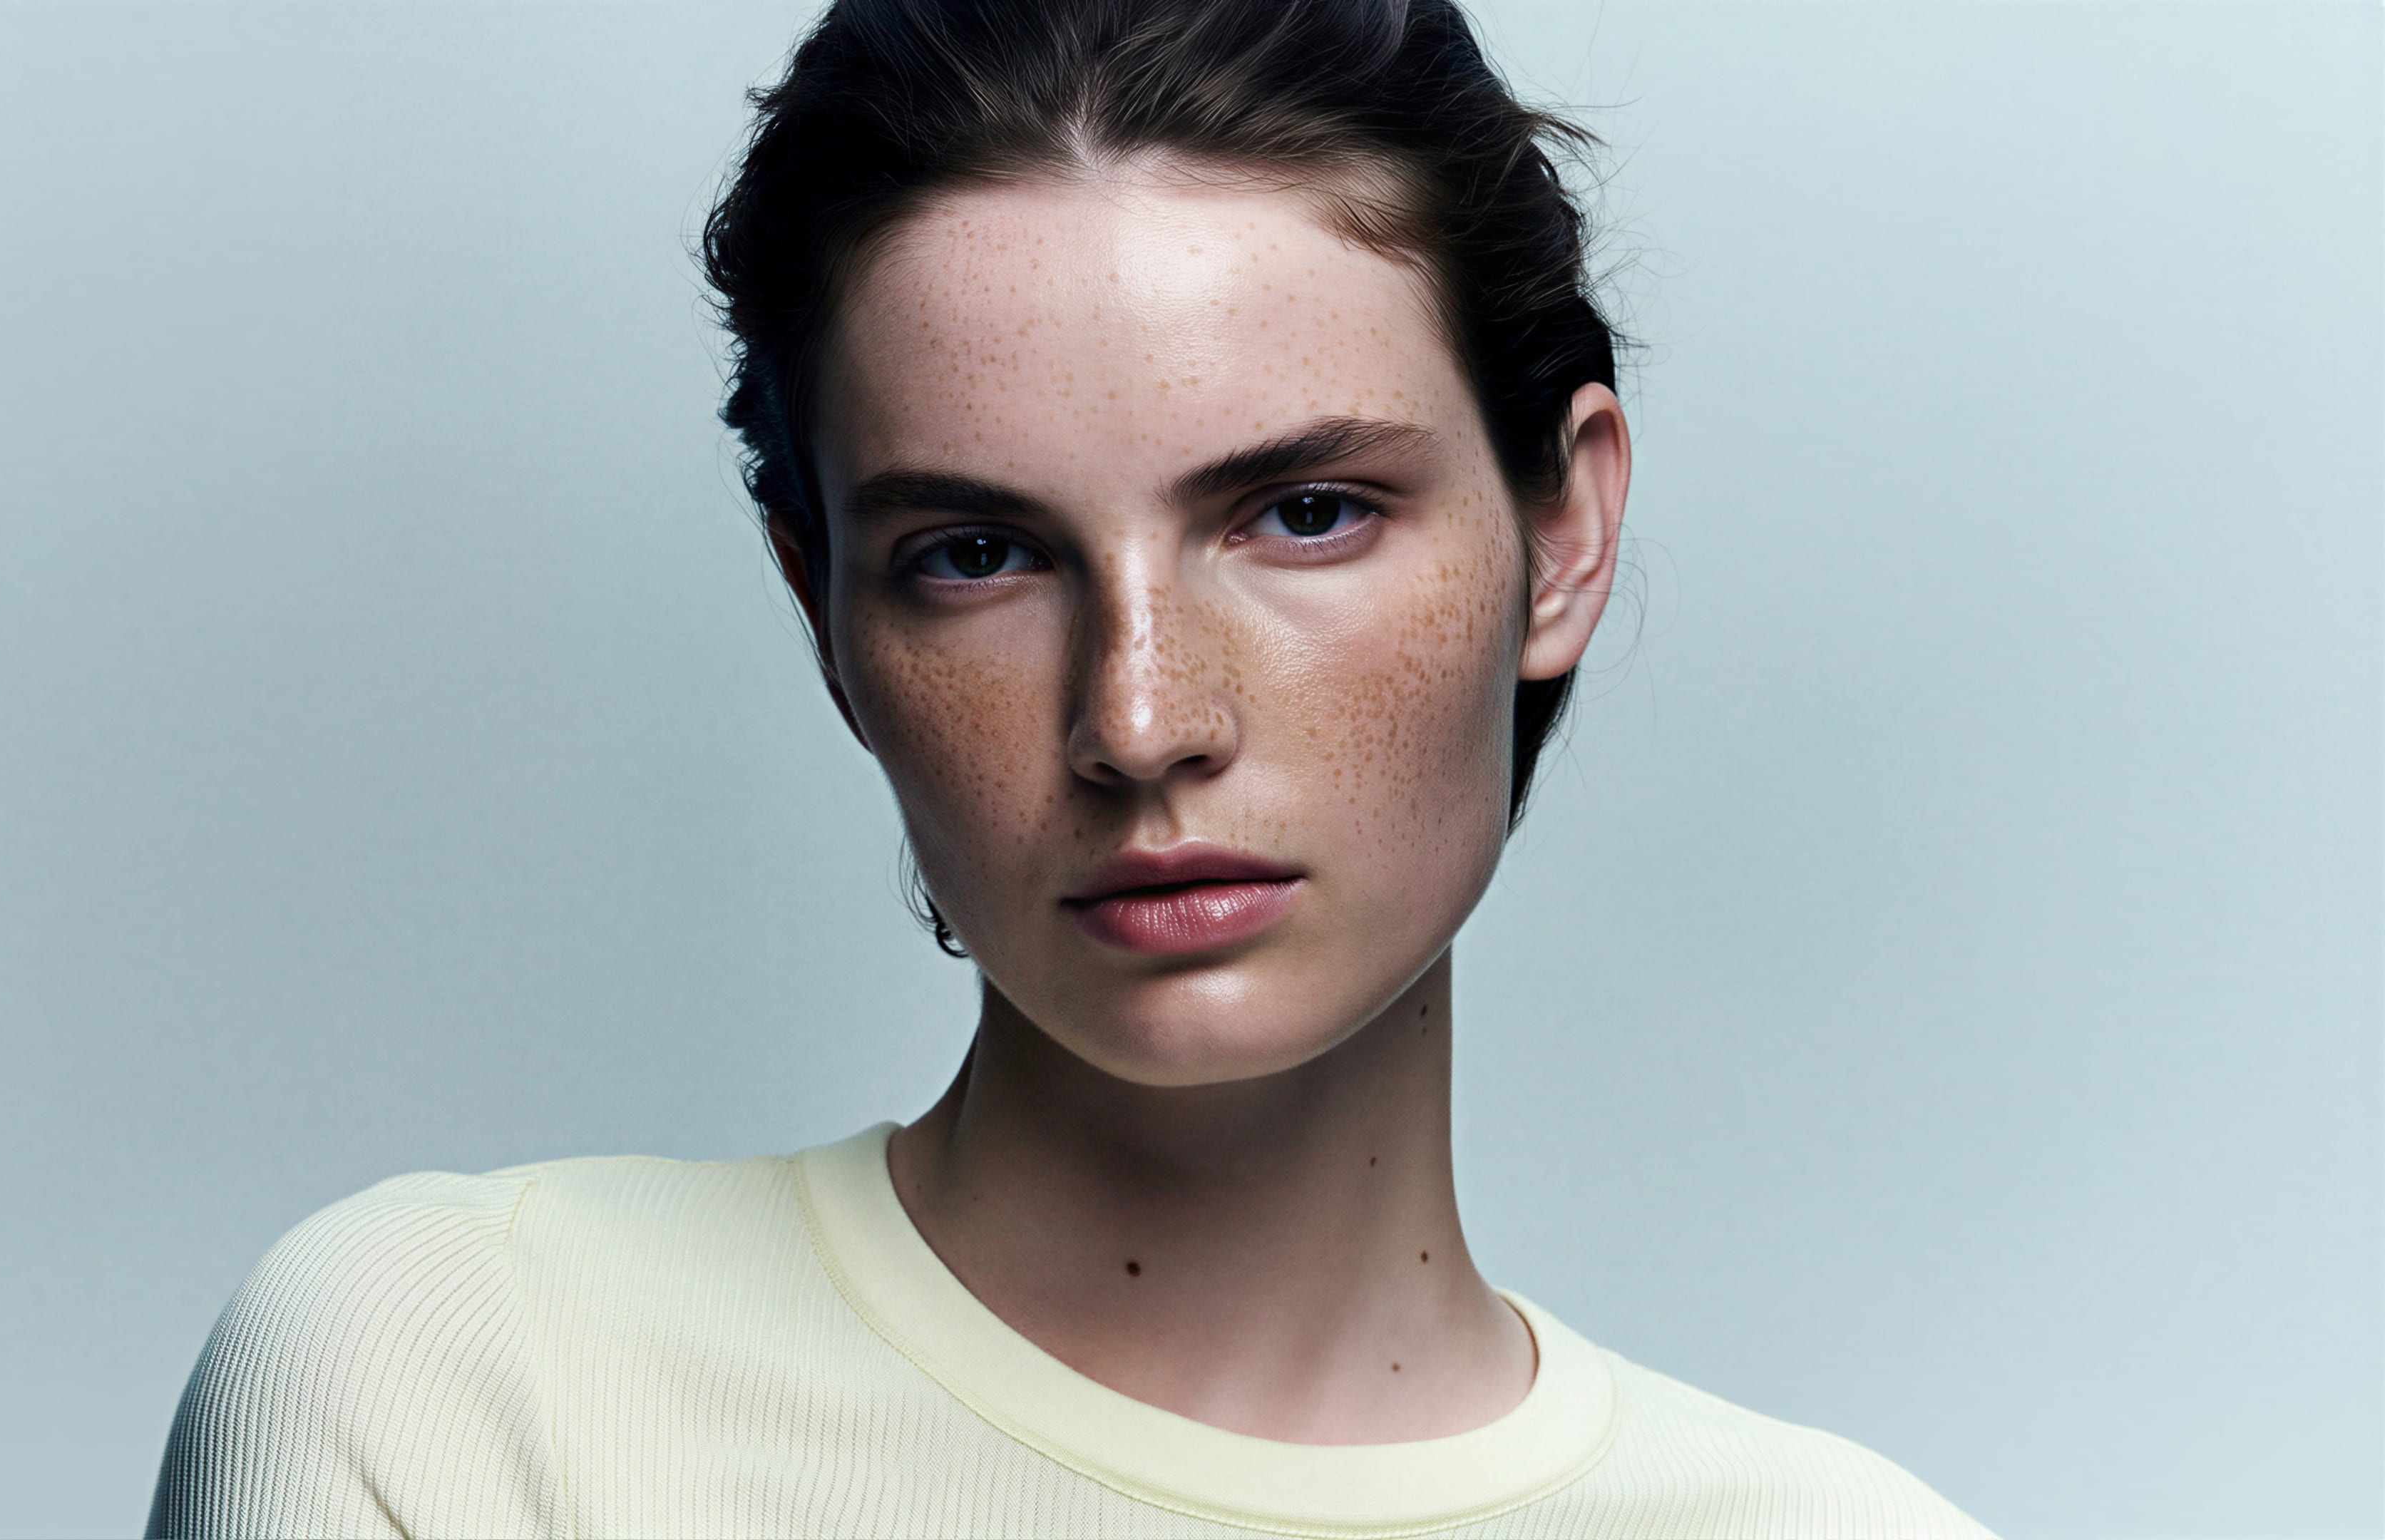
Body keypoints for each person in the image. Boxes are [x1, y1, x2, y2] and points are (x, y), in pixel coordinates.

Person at [148, 1, 1995, 1534]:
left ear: (1561, 536)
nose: (1140, 717)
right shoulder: (463, 1380)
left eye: (1305, 512)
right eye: (977, 555)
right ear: (823, 607)